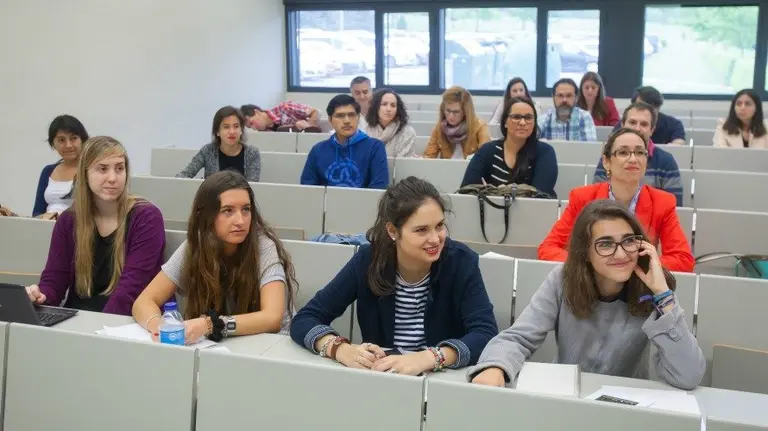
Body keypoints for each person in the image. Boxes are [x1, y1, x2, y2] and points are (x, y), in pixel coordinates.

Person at [470, 200, 705, 390]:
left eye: (629, 241)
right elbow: (518, 337)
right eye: (605, 244)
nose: (621, 253)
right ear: (584, 253)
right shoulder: (563, 278)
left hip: (624, 407)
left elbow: (688, 375)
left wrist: (663, 295)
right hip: (567, 400)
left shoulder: (652, 288)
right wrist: (496, 367)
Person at [290, 177, 498, 374]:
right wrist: (339, 349)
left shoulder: (461, 261)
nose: (435, 239)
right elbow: (306, 318)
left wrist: (430, 357)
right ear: (392, 231)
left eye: (439, 226)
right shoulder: (368, 260)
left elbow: (485, 333)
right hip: (384, 378)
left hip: (442, 381)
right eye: (421, 230)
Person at [133, 171, 297, 342]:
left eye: (246, 209)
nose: (240, 220)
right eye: (228, 211)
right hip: (224, 347)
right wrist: (159, 326)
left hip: (273, 344)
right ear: (207, 216)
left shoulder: (264, 246)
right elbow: (143, 301)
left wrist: (211, 325)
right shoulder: (195, 246)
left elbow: (272, 318)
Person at [25, 137, 166, 315]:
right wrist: (39, 296)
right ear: (85, 173)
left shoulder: (146, 217)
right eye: (102, 169)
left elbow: (130, 291)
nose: (113, 178)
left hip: (127, 322)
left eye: (119, 168)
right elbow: (54, 281)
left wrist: (96, 331)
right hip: (79, 319)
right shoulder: (68, 221)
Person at [538, 128, 694, 273]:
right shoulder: (583, 198)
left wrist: (634, 268)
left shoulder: (662, 202)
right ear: (606, 161)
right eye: (623, 152)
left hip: (637, 286)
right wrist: (591, 267)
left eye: (640, 152)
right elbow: (549, 248)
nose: (633, 159)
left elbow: (682, 259)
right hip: (590, 284)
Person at [461, 97, 558, 197]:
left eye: (528, 118)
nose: (522, 123)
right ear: (505, 122)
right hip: (490, 211)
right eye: (516, 117)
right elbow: (466, 191)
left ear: (534, 123)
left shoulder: (545, 152)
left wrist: (497, 191)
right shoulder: (487, 151)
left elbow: (541, 195)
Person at [594, 102, 683, 206]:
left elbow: (673, 206)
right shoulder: (610, 156)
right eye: (632, 122)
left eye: (644, 124)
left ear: (652, 130)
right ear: (622, 125)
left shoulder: (666, 160)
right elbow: (598, 200)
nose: (637, 128)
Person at [300, 94, 389, 189]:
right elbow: (307, 188)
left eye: (351, 115)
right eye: (340, 116)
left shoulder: (374, 147)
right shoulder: (318, 150)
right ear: (330, 120)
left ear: (358, 117)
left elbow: (379, 187)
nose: (347, 121)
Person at [176, 106, 261, 182]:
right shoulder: (208, 151)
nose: (232, 132)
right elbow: (184, 175)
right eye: (226, 127)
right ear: (217, 131)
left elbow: (252, 186)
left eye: (236, 126)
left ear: (241, 130)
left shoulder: (252, 153)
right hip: (212, 198)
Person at [33, 115, 89, 218]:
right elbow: (37, 212)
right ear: (53, 143)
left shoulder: (91, 169)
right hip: (45, 227)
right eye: (61, 140)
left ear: (83, 140)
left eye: (73, 138)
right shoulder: (48, 171)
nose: (68, 145)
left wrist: (61, 219)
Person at [424, 86, 491, 159]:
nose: (450, 116)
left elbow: (485, 157)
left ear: (466, 112)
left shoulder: (480, 127)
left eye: (456, 112)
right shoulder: (440, 127)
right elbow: (429, 156)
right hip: (446, 169)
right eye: (448, 110)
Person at [617, 86, 686, 146]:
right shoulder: (626, 122)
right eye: (640, 107)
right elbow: (612, 143)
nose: (645, 111)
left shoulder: (674, 124)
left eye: (651, 108)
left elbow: (678, 146)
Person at [364, 88, 416, 158]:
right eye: (384, 104)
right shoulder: (366, 131)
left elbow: (403, 164)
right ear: (375, 107)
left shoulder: (407, 132)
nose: (388, 109)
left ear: (397, 109)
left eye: (393, 105)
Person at [241, 101, 320, 132]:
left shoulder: (285, 108)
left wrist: (309, 126)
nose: (254, 128)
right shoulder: (264, 134)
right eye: (250, 127)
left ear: (257, 112)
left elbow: (315, 112)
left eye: (252, 123)